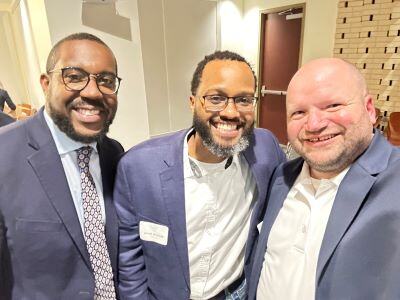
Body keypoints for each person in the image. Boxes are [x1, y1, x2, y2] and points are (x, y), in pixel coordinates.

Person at [114, 50, 286, 300]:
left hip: (236, 292)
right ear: (193, 101)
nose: (230, 112)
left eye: (244, 100)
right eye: (216, 98)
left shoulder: (266, 149)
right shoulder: (139, 167)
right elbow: (129, 259)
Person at [248, 58, 400, 300]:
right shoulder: (282, 177)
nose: (314, 124)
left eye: (332, 106)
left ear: (369, 109)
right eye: (299, 112)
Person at [0, 32, 124, 299]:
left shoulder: (114, 155)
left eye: (106, 80)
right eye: (74, 76)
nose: (92, 91)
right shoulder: (4, 154)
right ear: (46, 84)